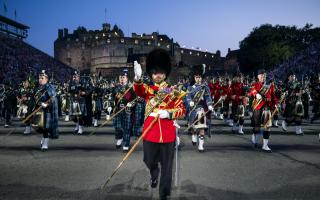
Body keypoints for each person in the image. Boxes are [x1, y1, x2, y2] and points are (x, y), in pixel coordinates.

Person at [133, 49, 186, 200]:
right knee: (149, 160)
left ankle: (164, 193)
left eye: (161, 72)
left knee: (167, 166)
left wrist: (169, 114)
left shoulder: (173, 92)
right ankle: (154, 173)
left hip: (168, 133)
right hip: (151, 132)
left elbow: (182, 110)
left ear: (165, 73)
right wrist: (137, 78)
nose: (158, 75)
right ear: (151, 73)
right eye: (155, 72)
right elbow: (138, 90)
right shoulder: (148, 90)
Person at [248, 69, 277, 152]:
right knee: (256, 127)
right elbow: (251, 91)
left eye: (264, 76)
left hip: (267, 108)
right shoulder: (255, 85)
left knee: (267, 127)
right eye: (261, 76)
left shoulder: (270, 85)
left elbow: (273, 96)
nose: (263, 77)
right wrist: (256, 94)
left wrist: (275, 103)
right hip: (258, 108)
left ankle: (265, 145)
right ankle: (255, 137)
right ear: (258, 77)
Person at [186, 64, 213, 152]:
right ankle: (193, 136)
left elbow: (208, 97)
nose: (198, 79)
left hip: (202, 109)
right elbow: (187, 96)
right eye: (196, 77)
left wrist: (209, 104)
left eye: (199, 77)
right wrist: (190, 101)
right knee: (193, 128)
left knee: (201, 127)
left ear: (202, 78)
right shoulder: (190, 87)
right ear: (194, 78)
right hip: (193, 109)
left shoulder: (204, 87)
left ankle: (201, 145)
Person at [32, 70, 59, 150]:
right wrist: (39, 104)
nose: (40, 79)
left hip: (46, 110)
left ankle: (45, 143)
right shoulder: (37, 88)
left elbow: (53, 98)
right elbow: (34, 99)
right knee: (39, 127)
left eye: (42, 78)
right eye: (39, 78)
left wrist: (47, 104)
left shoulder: (50, 87)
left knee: (45, 128)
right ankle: (44, 138)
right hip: (39, 110)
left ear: (47, 79)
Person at [111, 69, 137, 152]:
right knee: (117, 126)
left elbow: (135, 99)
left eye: (123, 77)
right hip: (118, 110)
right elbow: (113, 99)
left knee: (126, 128)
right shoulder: (116, 88)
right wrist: (111, 106)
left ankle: (126, 144)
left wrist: (131, 104)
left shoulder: (131, 88)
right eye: (120, 77)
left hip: (127, 111)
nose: (122, 79)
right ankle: (119, 138)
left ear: (127, 78)